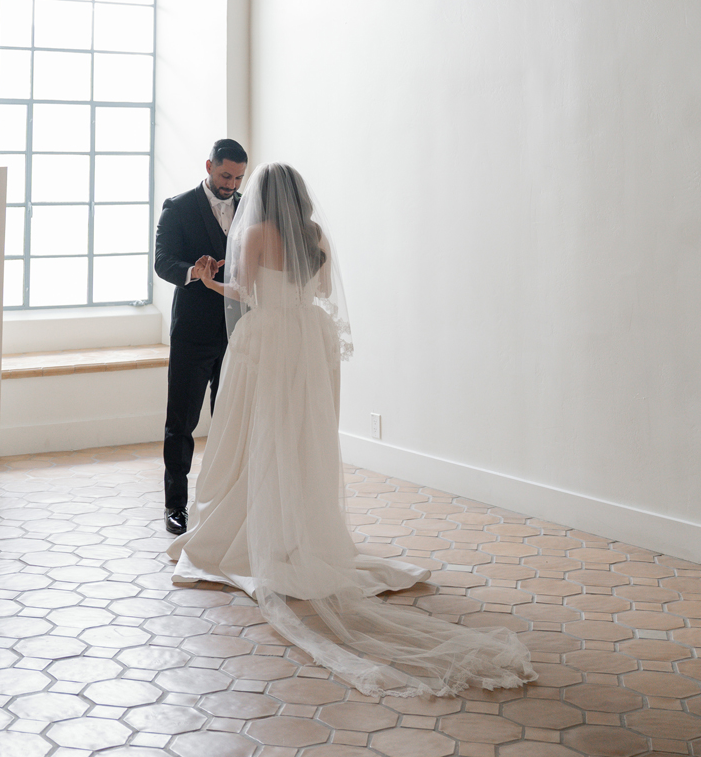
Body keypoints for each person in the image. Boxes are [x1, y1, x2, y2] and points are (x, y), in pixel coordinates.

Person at [167, 163, 536, 699]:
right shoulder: (314, 236)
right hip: (307, 339)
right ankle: (301, 528)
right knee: (300, 435)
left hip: (266, 339)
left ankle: (253, 527)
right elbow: (316, 289)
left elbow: (243, 292)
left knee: (252, 434)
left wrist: (205, 278)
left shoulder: (251, 234)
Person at [154, 138, 248, 535]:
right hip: (193, 332)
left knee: (232, 422)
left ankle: (225, 505)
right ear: (209, 166)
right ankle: (176, 506)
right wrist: (195, 270)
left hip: (240, 332)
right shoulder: (178, 207)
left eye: (239, 177)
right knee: (182, 422)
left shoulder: (250, 207)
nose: (231, 184)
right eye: (226, 175)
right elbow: (162, 262)